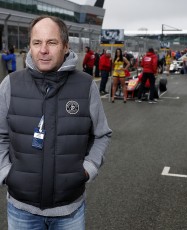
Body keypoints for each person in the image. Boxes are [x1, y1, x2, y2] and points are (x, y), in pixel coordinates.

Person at [0, 15, 112, 230]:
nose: (43, 50)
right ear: (30, 46)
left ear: (65, 46)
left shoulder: (86, 85)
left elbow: (102, 134)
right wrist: (5, 172)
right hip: (21, 208)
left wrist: (88, 168)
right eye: (37, 42)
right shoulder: (10, 84)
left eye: (51, 42)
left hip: (69, 210)